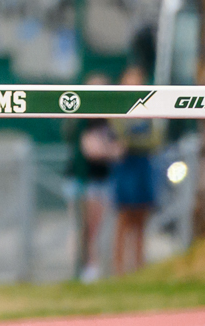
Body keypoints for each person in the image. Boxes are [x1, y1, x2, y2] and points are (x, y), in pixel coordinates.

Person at [110, 63, 166, 276]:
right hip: (126, 167)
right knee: (124, 217)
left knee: (142, 217)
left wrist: (134, 142)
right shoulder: (116, 106)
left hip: (144, 165)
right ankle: (119, 268)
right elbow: (121, 137)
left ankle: (139, 266)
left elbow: (155, 139)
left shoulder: (149, 106)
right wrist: (133, 141)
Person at [63, 73, 118, 283]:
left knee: (95, 229)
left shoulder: (109, 118)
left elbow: (118, 148)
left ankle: (91, 270)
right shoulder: (81, 118)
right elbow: (90, 148)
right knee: (81, 227)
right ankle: (79, 269)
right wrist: (107, 149)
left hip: (101, 178)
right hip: (80, 179)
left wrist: (107, 149)